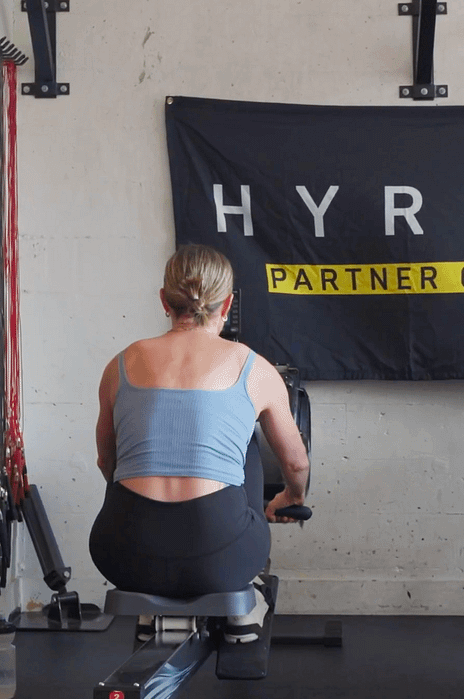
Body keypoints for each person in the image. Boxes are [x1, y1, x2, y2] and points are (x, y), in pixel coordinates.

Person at [90, 244, 310, 643]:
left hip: (121, 554)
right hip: (222, 557)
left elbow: (108, 462)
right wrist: (289, 499)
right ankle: (245, 610)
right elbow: (295, 465)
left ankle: (149, 604)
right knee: (246, 446)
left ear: (164, 301)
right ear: (226, 304)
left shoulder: (120, 364)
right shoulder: (253, 367)